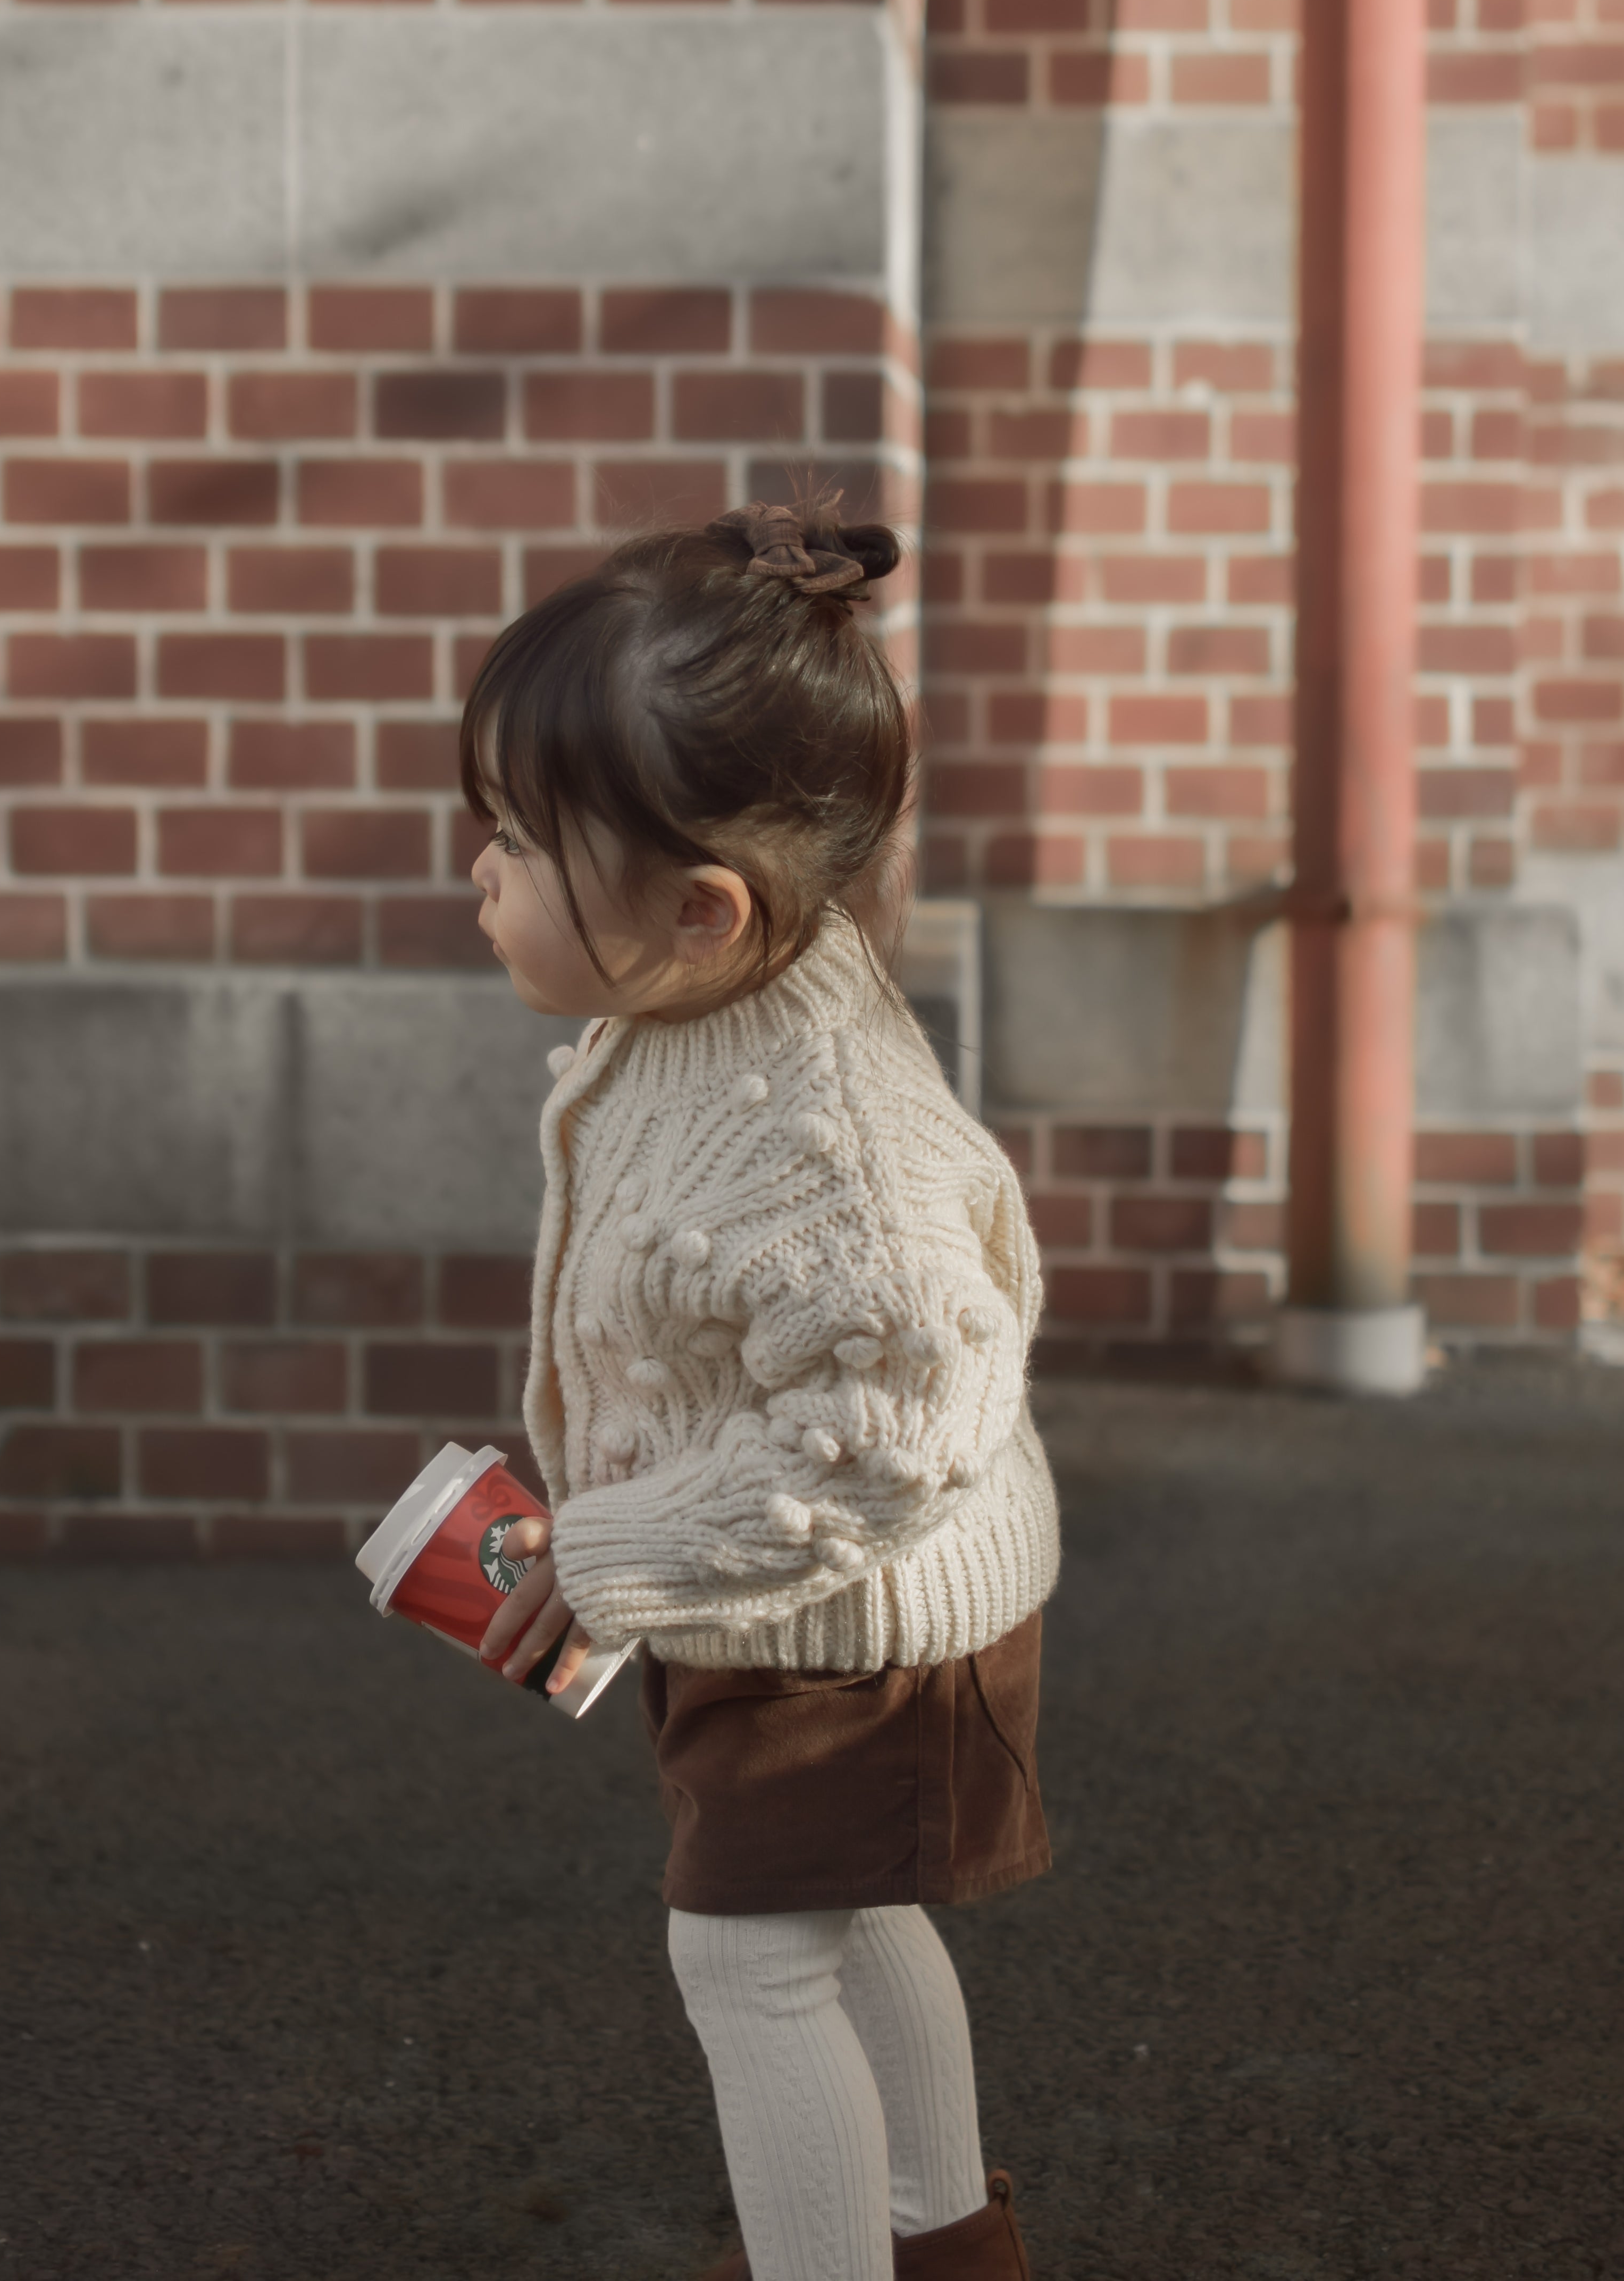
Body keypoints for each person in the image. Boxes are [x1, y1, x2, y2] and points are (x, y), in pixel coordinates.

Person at [466, 500, 1060, 2281]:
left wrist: (616, 1541)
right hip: (779, 1589)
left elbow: (890, 1431)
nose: (476, 876)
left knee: (745, 1959)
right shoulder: (696, 1014)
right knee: (839, 1919)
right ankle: (942, 2239)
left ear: (703, 909)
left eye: (511, 839)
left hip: (860, 1613)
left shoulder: (829, 1139)